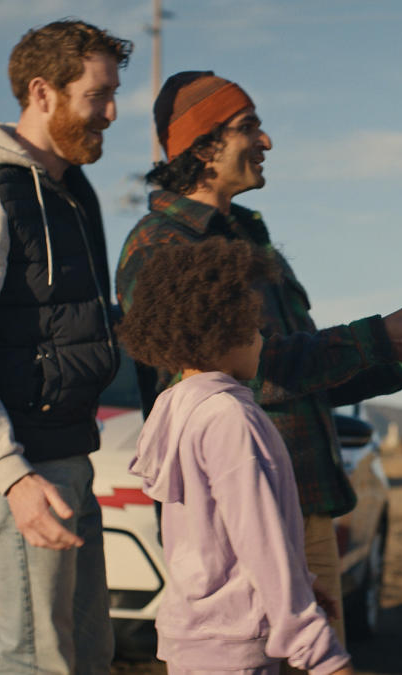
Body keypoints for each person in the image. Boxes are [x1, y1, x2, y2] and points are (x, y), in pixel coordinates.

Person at [115, 70, 402, 649]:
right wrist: (380, 336)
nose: (267, 141)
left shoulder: (249, 237)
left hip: (303, 504)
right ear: (203, 146)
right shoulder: (162, 248)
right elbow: (254, 370)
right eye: (249, 126)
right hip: (237, 522)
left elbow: (310, 375)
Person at [0, 19, 131, 673]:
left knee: (89, 653)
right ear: (43, 93)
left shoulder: (72, 190)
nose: (111, 111)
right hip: (20, 467)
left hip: (69, 451)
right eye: (98, 94)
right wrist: (12, 477)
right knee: (40, 660)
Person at [119, 239, 355, 675]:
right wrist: (319, 650)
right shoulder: (230, 417)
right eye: (254, 326)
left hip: (194, 636)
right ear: (223, 330)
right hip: (236, 647)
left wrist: (300, 584)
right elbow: (259, 538)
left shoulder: (174, 406)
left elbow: (214, 536)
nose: (262, 339)